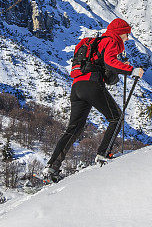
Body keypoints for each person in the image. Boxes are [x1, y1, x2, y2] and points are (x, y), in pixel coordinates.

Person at [44, 18, 144, 181]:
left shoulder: (97, 43)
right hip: (92, 85)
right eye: (127, 34)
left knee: (74, 128)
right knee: (116, 118)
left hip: (77, 87)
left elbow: (106, 68)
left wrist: (119, 67)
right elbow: (110, 63)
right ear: (120, 32)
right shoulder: (111, 41)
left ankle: (52, 167)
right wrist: (131, 70)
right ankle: (103, 154)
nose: (128, 38)